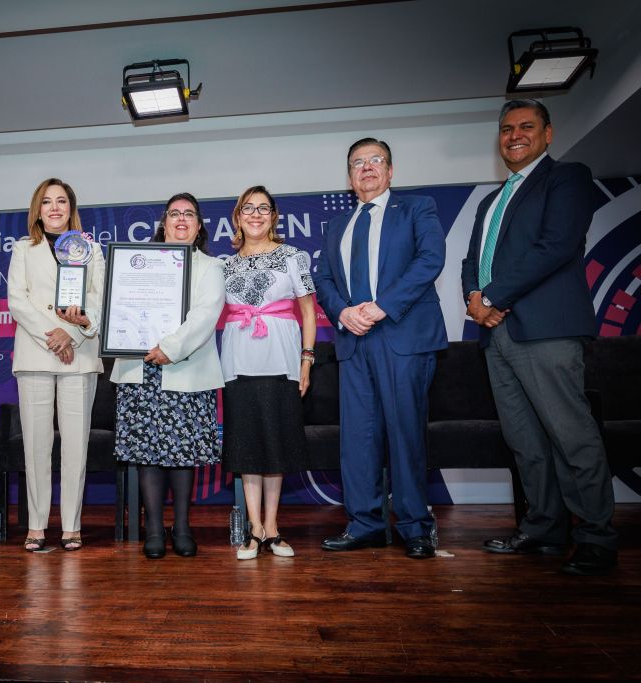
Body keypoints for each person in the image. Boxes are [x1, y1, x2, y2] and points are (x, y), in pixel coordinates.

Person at [461, 99, 617, 576]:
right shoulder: (490, 201)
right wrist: (474, 297)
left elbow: (555, 247)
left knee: (571, 437)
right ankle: (545, 528)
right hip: (497, 335)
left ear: (548, 134)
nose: (515, 135)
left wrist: (493, 297)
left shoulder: (566, 178)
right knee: (525, 441)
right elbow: (472, 260)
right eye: (507, 129)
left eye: (526, 126)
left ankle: (595, 538)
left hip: (546, 330)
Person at [313, 138, 447, 560]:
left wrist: (381, 306)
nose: (367, 167)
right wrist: (342, 312)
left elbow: (430, 260)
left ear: (390, 171)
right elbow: (323, 279)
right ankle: (365, 524)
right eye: (358, 162)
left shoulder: (417, 208)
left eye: (376, 160)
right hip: (353, 341)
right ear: (349, 176)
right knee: (358, 438)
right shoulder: (337, 225)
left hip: (402, 336)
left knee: (405, 433)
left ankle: (415, 527)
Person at [112, 192, 225, 559]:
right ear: (164, 223)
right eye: (174, 214)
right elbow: (120, 306)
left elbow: (205, 314)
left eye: (188, 214)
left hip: (185, 367)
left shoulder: (211, 267)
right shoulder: (137, 264)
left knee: (182, 452)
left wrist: (170, 348)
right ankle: (154, 529)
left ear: (199, 225)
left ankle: (183, 527)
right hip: (140, 367)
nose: (181, 220)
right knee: (147, 452)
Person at [7, 178, 106, 551]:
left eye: (61, 201)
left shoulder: (91, 250)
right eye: (47, 201)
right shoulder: (23, 249)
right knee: (36, 446)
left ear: (71, 208)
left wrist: (73, 335)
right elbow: (17, 301)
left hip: (79, 355)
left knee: (76, 446)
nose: (54, 208)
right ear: (38, 209)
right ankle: (36, 526)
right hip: (36, 353)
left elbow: (99, 300)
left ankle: (71, 526)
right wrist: (53, 336)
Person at [221, 186, 317, 560]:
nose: (256, 214)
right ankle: (253, 529)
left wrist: (306, 359)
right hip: (238, 362)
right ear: (238, 216)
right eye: (248, 208)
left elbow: (308, 311)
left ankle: (273, 527)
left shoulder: (292, 256)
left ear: (274, 216)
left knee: (276, 443)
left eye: (264, 208)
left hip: (282, 360)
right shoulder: (224, 265)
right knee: (247, 445)